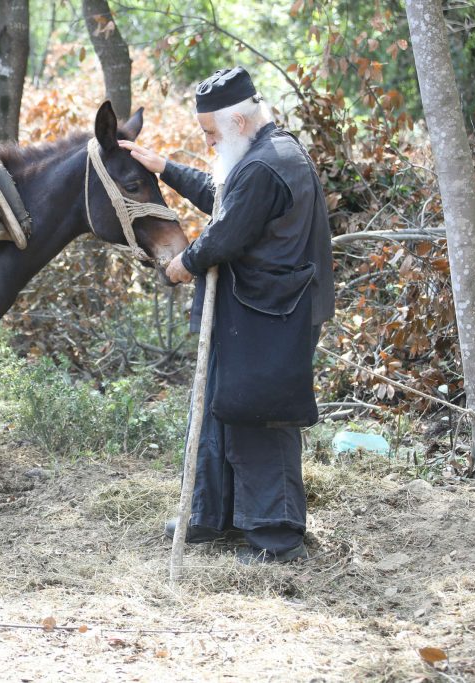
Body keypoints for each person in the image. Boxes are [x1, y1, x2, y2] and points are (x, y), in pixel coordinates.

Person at [120, 66, 334, 564]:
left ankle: (276, 538)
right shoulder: (264, 154)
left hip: (273, 315)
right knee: (224, 408)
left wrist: (183, 264)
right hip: (256, 312)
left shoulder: (265, 165)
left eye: (211, 134)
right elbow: (226, 201)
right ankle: (212, 516)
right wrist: (165, 168)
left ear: (238, 124)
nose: (210, 143)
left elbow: (226, 234)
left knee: (261, 417)